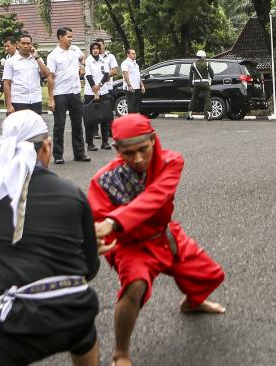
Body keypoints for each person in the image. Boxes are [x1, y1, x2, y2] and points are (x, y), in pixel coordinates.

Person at [0, 110, 107, 366]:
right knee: (83, 330)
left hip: (20, 323)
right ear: (46, 146)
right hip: (77, 311)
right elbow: (89, 269)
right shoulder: (72, 194)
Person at [88, 114, 226, 366]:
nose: (138, 159)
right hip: (130, 244)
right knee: (135, 286)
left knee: (211, 275)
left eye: (143, 149)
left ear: (153, 139)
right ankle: (121, 353)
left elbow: (154, 198)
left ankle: (192, 303)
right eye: (129, 153)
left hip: (164, 234)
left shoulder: (171, 162)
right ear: (117, 150)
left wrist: (113, 221)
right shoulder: (103, 181)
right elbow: (96, 222)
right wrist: (95, 240)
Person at [47, 27, 91, 164]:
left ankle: (80, 154)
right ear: (60, 37)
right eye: (69, 37)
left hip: (75, 92)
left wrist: (82, 65)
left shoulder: (75, 49)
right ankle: (58, 156)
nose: (71, 39)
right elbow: (50, 77)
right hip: (60, 94)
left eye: (72, 37)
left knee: (78, 124)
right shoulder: (53, 55)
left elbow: (82, 57)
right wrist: (51, 98)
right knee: (59, 126)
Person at [2, 34, 52, 115]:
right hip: (18, 101)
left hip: (35, 100)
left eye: (28, 44)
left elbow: (47, 74)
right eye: (23, 43)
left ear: (31, 45)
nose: (26, 46)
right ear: (17, 44)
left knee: (35, 126)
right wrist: (8, 105)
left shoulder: (37, 59)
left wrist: (37, 58)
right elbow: (6, 84)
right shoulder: (10, 61)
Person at [84, 42, 112, 151]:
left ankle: (105, 142)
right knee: (90, 119)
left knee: (105, 118)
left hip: (103, 91)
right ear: (91, 50)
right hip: (90, 92)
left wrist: (99, 85)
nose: (95, 50)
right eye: (93, 48)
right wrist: (94, 87)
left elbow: (106, 74)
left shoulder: (103, 60)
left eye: (97, 48)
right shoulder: (88, 60)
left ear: (99, 50)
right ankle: (90, 144)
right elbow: (88, 75)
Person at [97, 38, 119, 140]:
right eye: (97, 46)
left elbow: (115, 71)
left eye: (100, 45)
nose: (98, 48)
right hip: (96, 88)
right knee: (95, 110)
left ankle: (111, 131)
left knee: (108, 111)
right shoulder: (93, 58)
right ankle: (95, 131)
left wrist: (105, 76)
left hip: (108, 87)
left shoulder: (110, 57)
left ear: (104, 45)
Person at [187, 50, 215, 120]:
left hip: (196, 84)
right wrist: (210, 79)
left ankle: (189, 114)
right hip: (205, 83)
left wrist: (191, 85)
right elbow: (212, 74)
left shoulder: (193, 64)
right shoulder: (207, 64)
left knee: (194, 98)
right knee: (207, 99)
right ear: (203, 56)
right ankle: (209, 114)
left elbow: (190, 76)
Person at [121, 49, 145, 114]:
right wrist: (129, 85)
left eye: (135, 53)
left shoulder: (136, 64)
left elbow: (138, 75)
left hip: (137, 87)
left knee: (136, 105)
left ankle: (135, 121)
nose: (135, 55)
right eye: (133, 53)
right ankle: (131, 122)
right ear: (128, 54)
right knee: (131, 105)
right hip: (130, 87)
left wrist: (142, 85)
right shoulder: (125, 63)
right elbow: (125, 74)